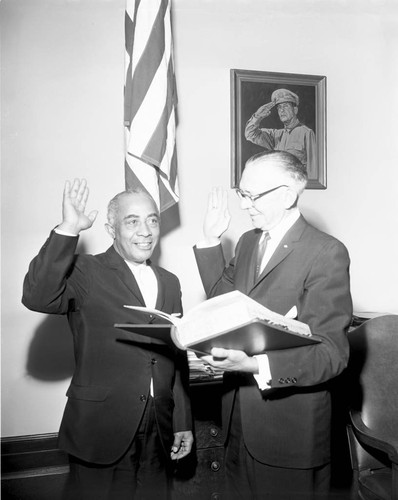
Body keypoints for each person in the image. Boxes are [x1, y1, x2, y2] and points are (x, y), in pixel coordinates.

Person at [193, 151, 352, 499]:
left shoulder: (326, 252)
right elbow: (223, 306)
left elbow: (332, 354)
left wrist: (254, 364)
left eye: (253, 195)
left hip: (289, 435)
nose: (245, 205)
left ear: (287, 195)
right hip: (237, 424)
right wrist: (210, 241)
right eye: (242, 193)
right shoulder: (249, 242)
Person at [22, 179, 193, 500]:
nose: (145, 231)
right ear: (111, 228)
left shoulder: (170, 282)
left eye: (152, 220)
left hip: (160, 426)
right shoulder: (86, 270)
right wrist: (68, 228)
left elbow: (176, 354)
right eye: (132, 221)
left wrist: (183, 421)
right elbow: (37, 296)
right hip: (100, 430)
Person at [245, 88, 317, 178]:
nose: (281, 110)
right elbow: (250, 134)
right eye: (279, 107)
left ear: (295, 110)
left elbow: (313, 169)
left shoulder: (306, 133)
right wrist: (257, 116)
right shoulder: (275, 135)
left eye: (285, 106)